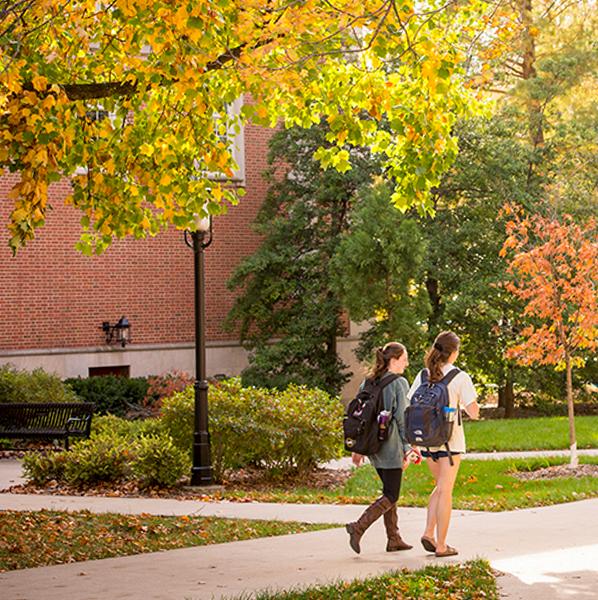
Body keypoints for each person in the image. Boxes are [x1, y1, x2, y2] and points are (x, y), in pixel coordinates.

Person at [407, 331, 479, 558]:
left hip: (427, 440)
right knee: (445, 489)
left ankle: (428, 532)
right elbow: (474, 412)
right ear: (454, 352)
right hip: (450, 442)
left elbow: (411, 402)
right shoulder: (460, 377)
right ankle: (441, 545)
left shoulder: (422, 375)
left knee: (439, 486)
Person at [346, 342, 413, 554]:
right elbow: (403, 419)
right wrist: (408, 448)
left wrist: (359, 446)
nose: (406, 363)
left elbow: (359, 417)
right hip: (391, 446)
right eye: (404, 359)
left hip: (374, 445)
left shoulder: (368, 381)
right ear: (393, 360)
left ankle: (394, 538)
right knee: (392, 495)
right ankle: (359, 527)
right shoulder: (399, 383)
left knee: (387, 491)